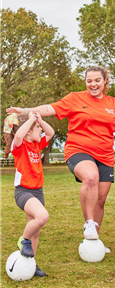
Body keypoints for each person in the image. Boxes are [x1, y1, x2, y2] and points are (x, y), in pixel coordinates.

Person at [6, 66, 115, 252]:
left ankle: (94, 241)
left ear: (104, 81)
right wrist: (26, 110)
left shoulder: (114, 104)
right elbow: (49, 108)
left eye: (96, 80)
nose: (92, 84)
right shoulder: (75, 99)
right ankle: (89, 224)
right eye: (89, 81)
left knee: (100, 199)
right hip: (78, 150)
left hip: (105, 155)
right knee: (91, 177)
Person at [3, 112, 54, 276]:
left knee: (36, 231)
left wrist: (39, 120)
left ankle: (30, 264)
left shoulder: (37, 145)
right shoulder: (19, 146)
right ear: (28, 132)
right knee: (42, 217)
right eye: (38, 128)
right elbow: (18, 135)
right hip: (23, 192)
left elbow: (51, 133)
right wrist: (32, 119)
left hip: (38, 192)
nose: (40, 131)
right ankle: (23, 240)